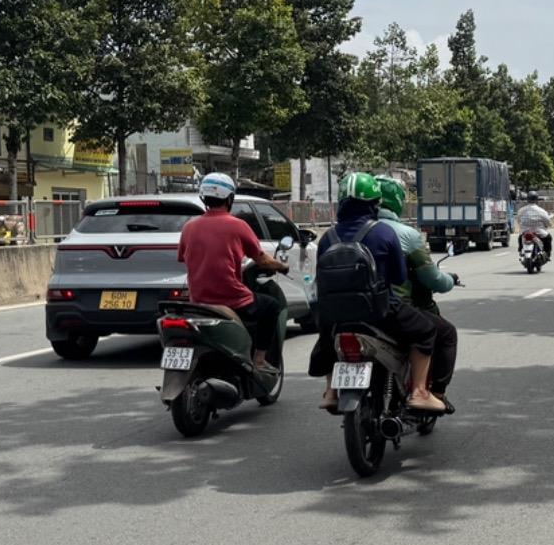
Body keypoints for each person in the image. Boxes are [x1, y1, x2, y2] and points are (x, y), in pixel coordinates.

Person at [309, 173, 447, 414]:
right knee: (426, 331)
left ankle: (330, 392)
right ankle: (420, 392)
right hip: (380, 313)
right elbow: (399, 277)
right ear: (374, 203)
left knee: (327, 337)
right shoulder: (383, 233)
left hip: (336, 315)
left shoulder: (328, 238)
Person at [175, 172, 289, 369]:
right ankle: (259, 360)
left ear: (204, 197)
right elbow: (262, 260)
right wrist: (282, 266)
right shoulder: (238, 225)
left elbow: (183, 258)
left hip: (198, 301)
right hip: (232, 299)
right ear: (229, 198)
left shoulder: (189, 227)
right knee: (271, 306)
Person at [377, 176, 460, 405]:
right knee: (446, 333)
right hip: (394, 308)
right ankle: (433, 393)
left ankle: (331, 392)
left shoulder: (345, 232)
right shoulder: (404, 234)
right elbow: (432, 278)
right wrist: (450, 281)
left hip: (350, 310)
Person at [517, 193, 554, 262]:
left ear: (527, 199)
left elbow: (518, 221)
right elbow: (547, 221)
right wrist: (548, 225)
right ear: (537, 200)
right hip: (539, 231)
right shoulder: (541, 211)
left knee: (520, 237)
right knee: (548, 238)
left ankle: (520, 250)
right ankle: (547, 254)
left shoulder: (521, 210)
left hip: (525, 231)